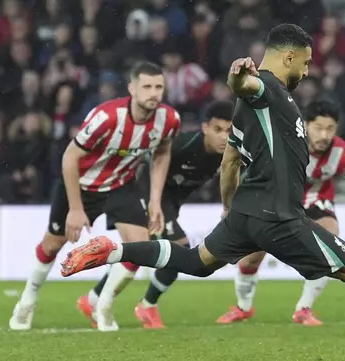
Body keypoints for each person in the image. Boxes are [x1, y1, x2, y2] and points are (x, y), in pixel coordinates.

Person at [60, 23, 345, 361]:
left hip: (246, 212)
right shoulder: (268, 92)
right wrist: (237, 78)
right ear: (290, 57)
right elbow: (248, 85)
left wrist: (230, 207)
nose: (308, 70)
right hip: (279, 214)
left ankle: (112, 250)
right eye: (306, 63)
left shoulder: (247, 112)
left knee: (197, 261)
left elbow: (229, 163)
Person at [9, 61, 180, 330]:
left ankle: (103, 305)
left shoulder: (169, 119)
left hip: (120, 186)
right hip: (81, 185)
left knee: (140, 249)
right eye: (147, 86)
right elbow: (70, 157)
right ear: (132, 88)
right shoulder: (107, 117)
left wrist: (155, 200)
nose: (153, 93)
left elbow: (162, 153)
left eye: (159, 87)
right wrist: (76, 209)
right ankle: (27, 301)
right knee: (52, 246)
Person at [215, 99, 345, 326]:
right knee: (249, 260)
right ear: (305, 125)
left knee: (330, 243)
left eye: (330, 129)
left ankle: (304, 309)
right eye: (319, 128)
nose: (324, 135)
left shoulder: (344, 155)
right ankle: (243, 307)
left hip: (317, 202)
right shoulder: (285, 141)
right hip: (277, 202)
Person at [77, 100, 234, 330]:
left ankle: (91, 299)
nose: (223, 137)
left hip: (170, 203)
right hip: (146, 193)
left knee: (140, 252)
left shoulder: (231, 153)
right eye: (218, 130)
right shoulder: (184, 144)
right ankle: (146, 305)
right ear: (204, 128)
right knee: (177, 247)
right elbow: (148, 163)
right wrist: (152, 203)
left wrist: (228, 206)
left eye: (229, 131)